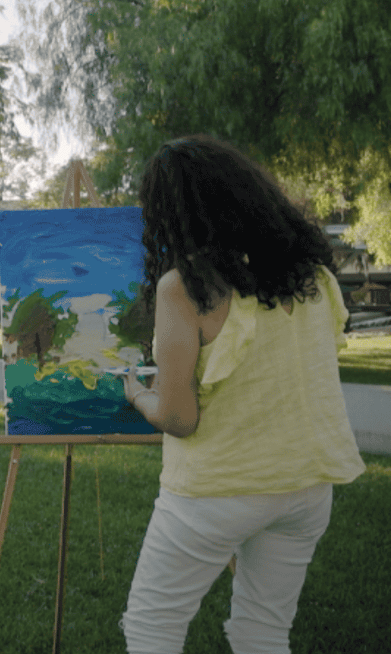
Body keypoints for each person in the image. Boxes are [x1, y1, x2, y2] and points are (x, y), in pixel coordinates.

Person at [118, 135, 365, 654]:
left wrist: (139, 394)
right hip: (308, 484)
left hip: (219, 489)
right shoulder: (314, 276)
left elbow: (180, 418)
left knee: (150, 628)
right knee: (263, 633)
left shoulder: (185, 287)